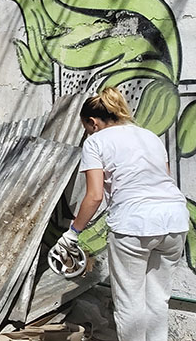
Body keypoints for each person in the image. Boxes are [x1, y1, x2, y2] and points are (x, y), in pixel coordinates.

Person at [56, 87, 188, 341]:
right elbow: (165, 179)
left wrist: (73, 233)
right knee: (158, 300)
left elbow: (94, 196)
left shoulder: (96, 142)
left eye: (86, 128)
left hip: (134, 226)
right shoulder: (150, 136)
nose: (88, 133)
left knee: (130, 303)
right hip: (174, 220)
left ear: (92, 122)